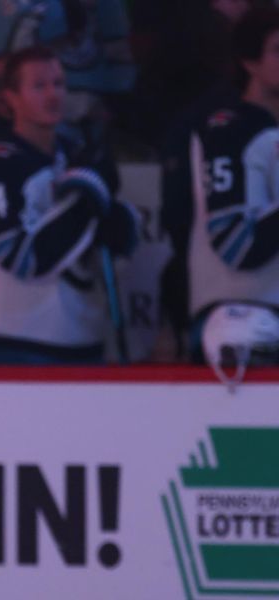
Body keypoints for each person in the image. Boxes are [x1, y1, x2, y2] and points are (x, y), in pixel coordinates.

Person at [0, 45, 138, 364]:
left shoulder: (73, 157)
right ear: (9, 98)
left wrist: (117, 221)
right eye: (39, 85)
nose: (53, 95)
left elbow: (115, 247)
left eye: (59, 84)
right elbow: (22, 257)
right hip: (8, 341)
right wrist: (88, 196)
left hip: (79, 340)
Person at [184, 5, 279, 384]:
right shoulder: (226, 126)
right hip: (233, 317)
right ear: (248, 62)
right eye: (277, 49)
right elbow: (238, 243)